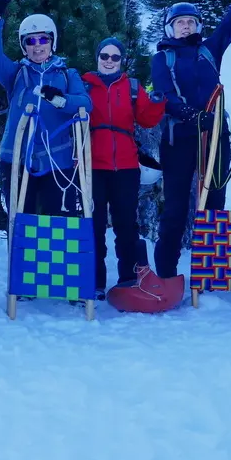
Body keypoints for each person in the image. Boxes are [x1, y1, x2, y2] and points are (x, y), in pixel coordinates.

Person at [112, 0, 231, 313]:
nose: (186, 26)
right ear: (170, 27)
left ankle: (210, 272)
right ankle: (166, 275)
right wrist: (192, 116)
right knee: (176, 206)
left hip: (215, 135)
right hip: (179, 136)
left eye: (191, 21)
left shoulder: (210, 49)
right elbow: (164, 94)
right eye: (180, 22)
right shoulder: (162, 57)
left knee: (214, 202)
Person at [0, 1, 89, 218]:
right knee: (20, 222)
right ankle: (18, 243)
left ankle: (55, 245)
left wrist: (60, 100)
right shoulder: (16, 73)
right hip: (16, 159)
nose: (37, 46)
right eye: (31, 41)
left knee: (58, 224)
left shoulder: (67, 74)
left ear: (52, 41)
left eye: (43, 39)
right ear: (24, 46)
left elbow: (85, 104)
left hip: (57, 161)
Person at [82, 38, 166, 302]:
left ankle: (128, 280)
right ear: (97, 58)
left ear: (121, 60)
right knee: (94, 225)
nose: (109, 61)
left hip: (126, 166)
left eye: (115, 57)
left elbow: (147, 119)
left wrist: (156, 102)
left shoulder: (131, 87)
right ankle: (94, 281)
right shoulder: (84, 86)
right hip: (94, 167)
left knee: (126, 225)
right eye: (104, 56)